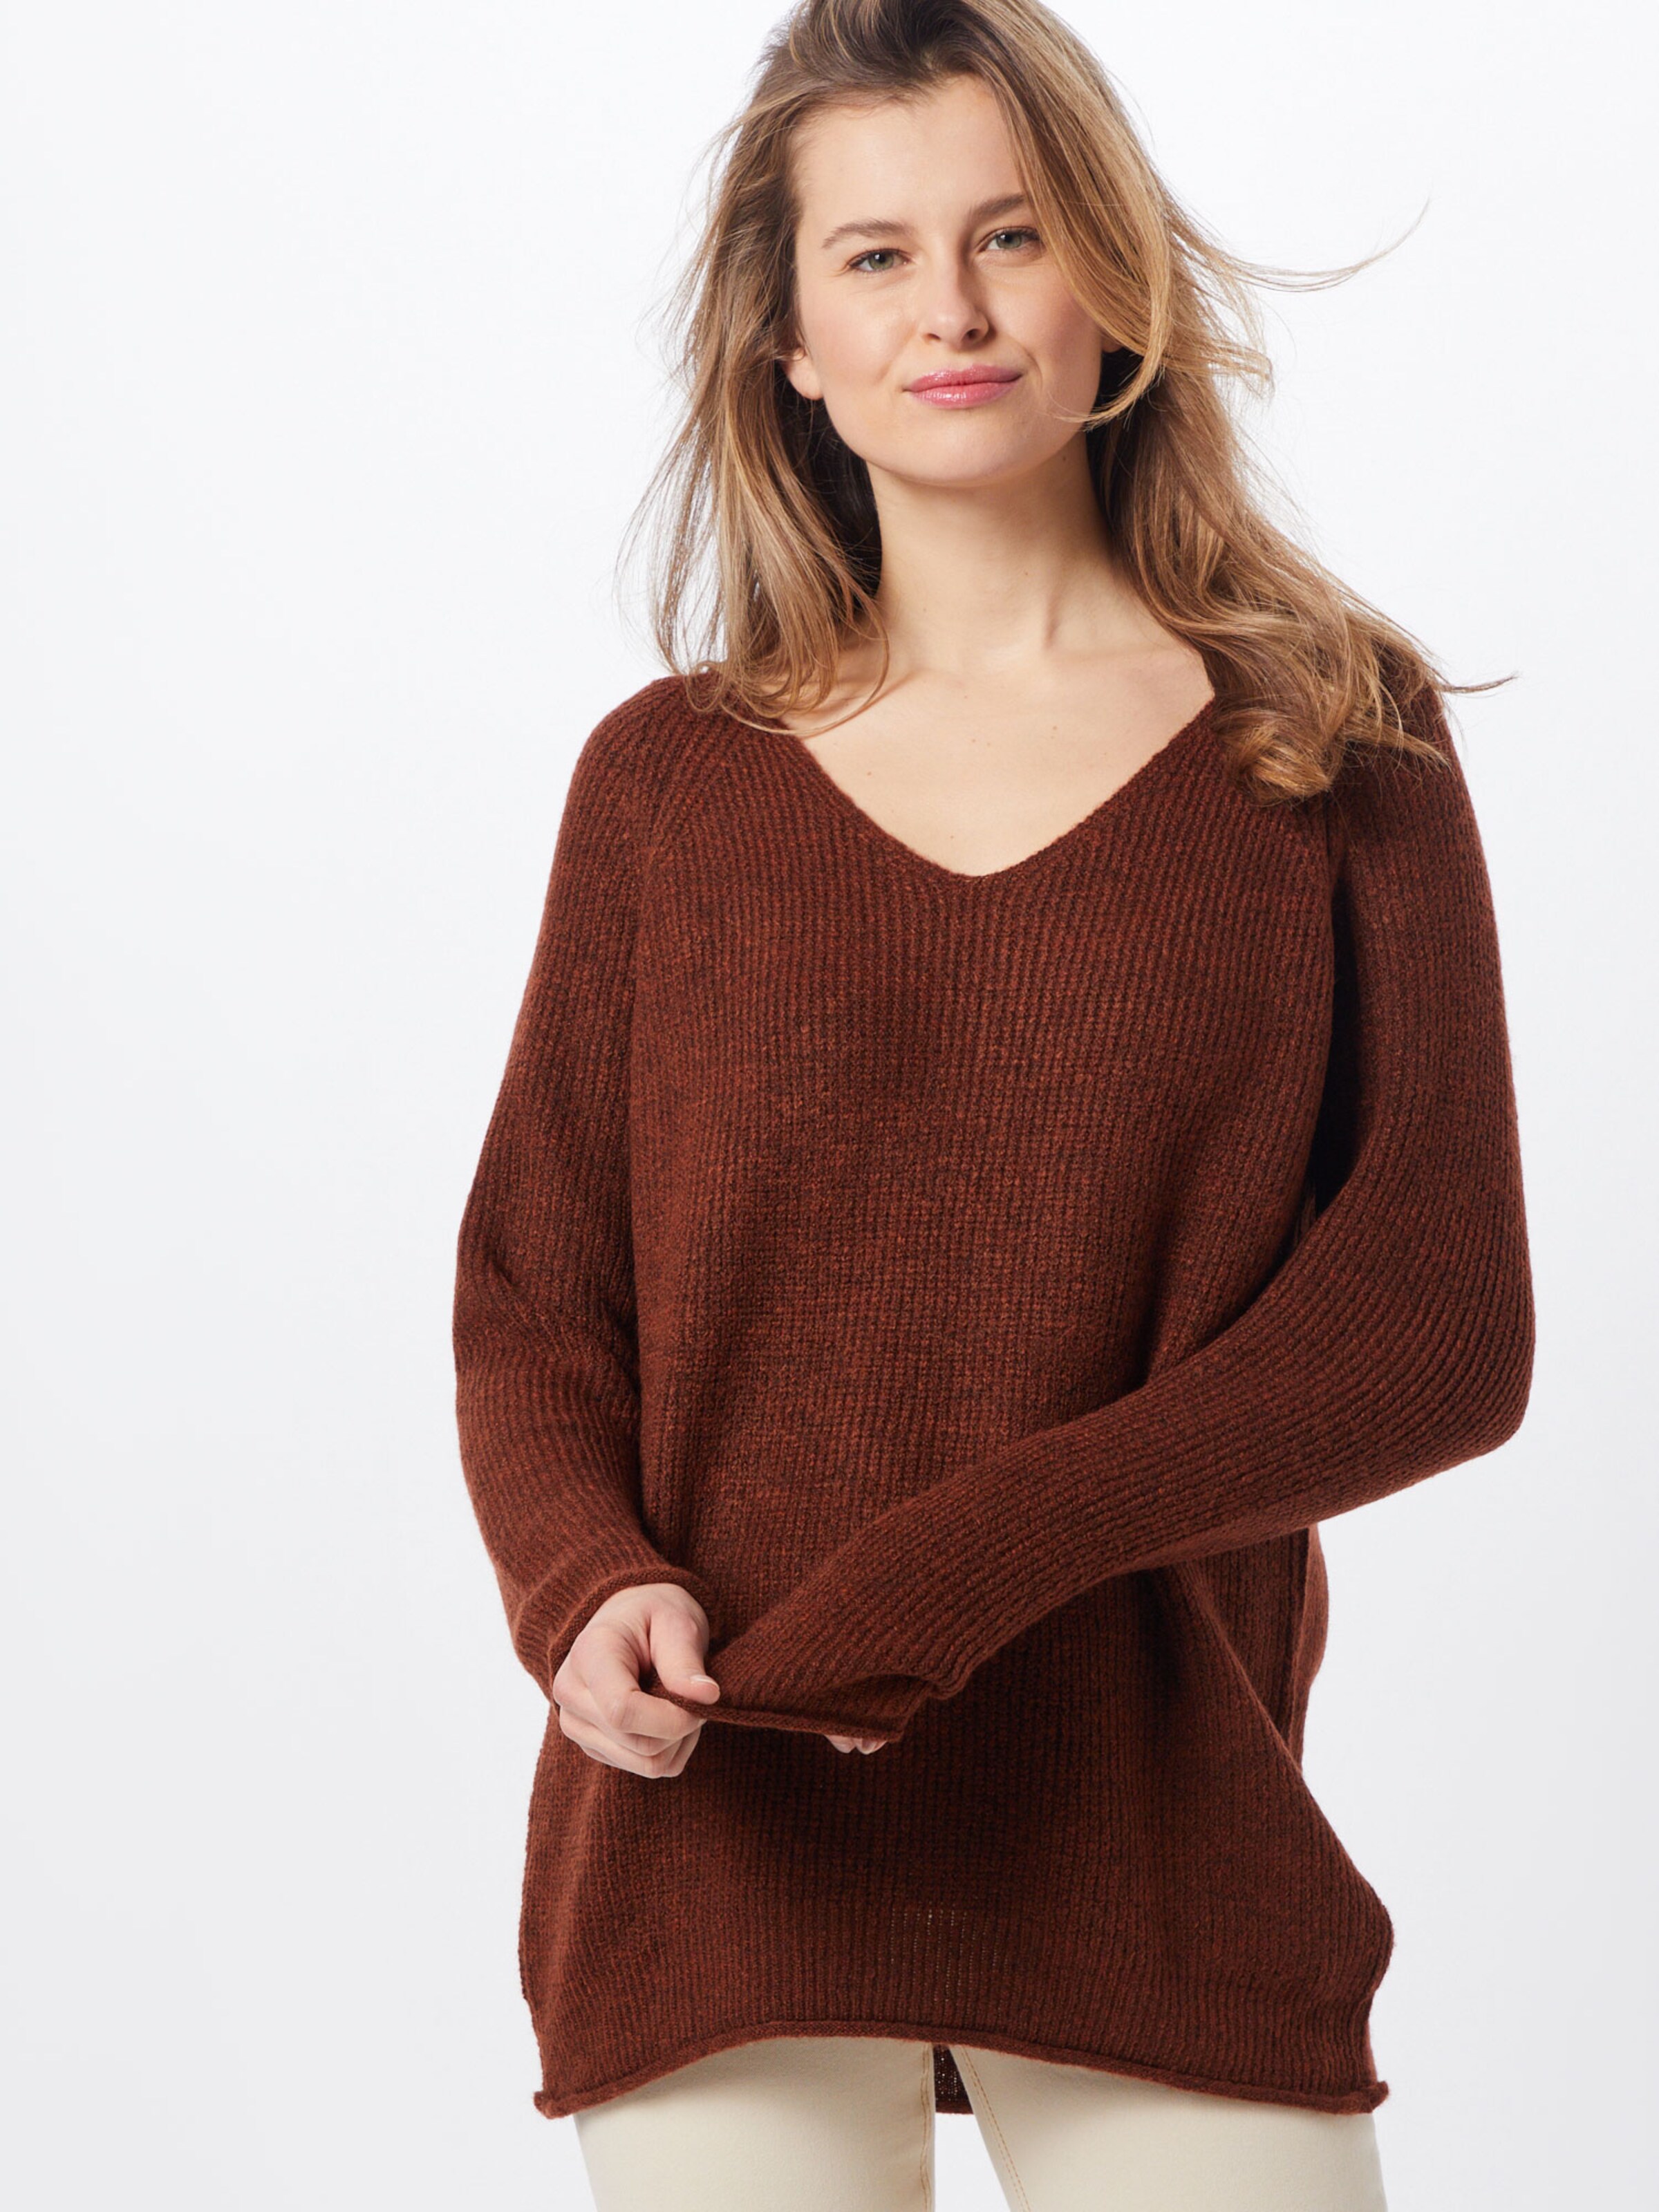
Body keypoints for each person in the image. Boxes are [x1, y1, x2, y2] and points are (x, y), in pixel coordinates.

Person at [451, 4, 1535, 2207]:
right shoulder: (669, 786)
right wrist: (581, 1587)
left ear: (1112, 278)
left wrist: (965, 1565)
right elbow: (538, 1296)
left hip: (1161, 1822)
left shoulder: (1333, 740)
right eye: (873, 256)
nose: (947, 308)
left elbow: (1434, 1323)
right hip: (721, 1823)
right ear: (786, 336)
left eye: (1011, 234)